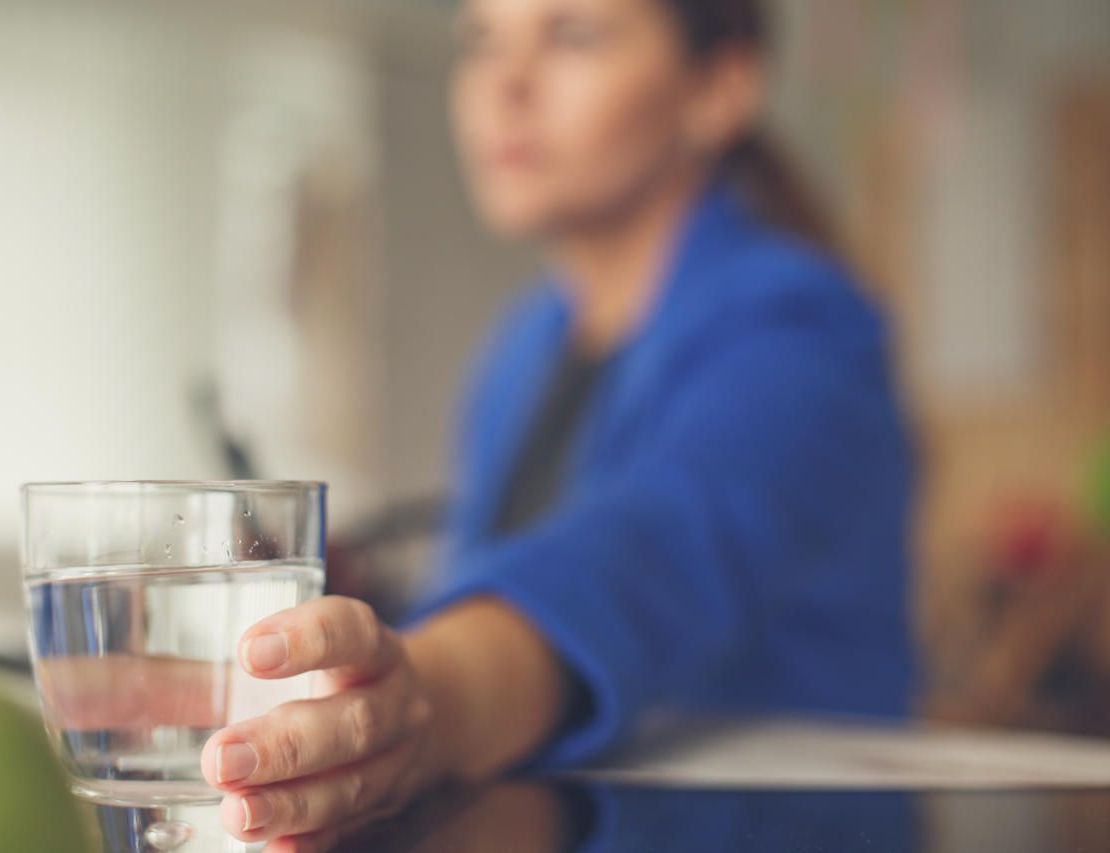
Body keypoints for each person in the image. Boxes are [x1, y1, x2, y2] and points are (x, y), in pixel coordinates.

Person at [201, 0, 916, 848]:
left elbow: (642, 558)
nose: (505, 86)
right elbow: (490, 571)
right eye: (481, 42)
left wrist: (423, 696)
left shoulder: (804, 331)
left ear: (720, 85)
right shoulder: (522, 351)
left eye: (574, 35)